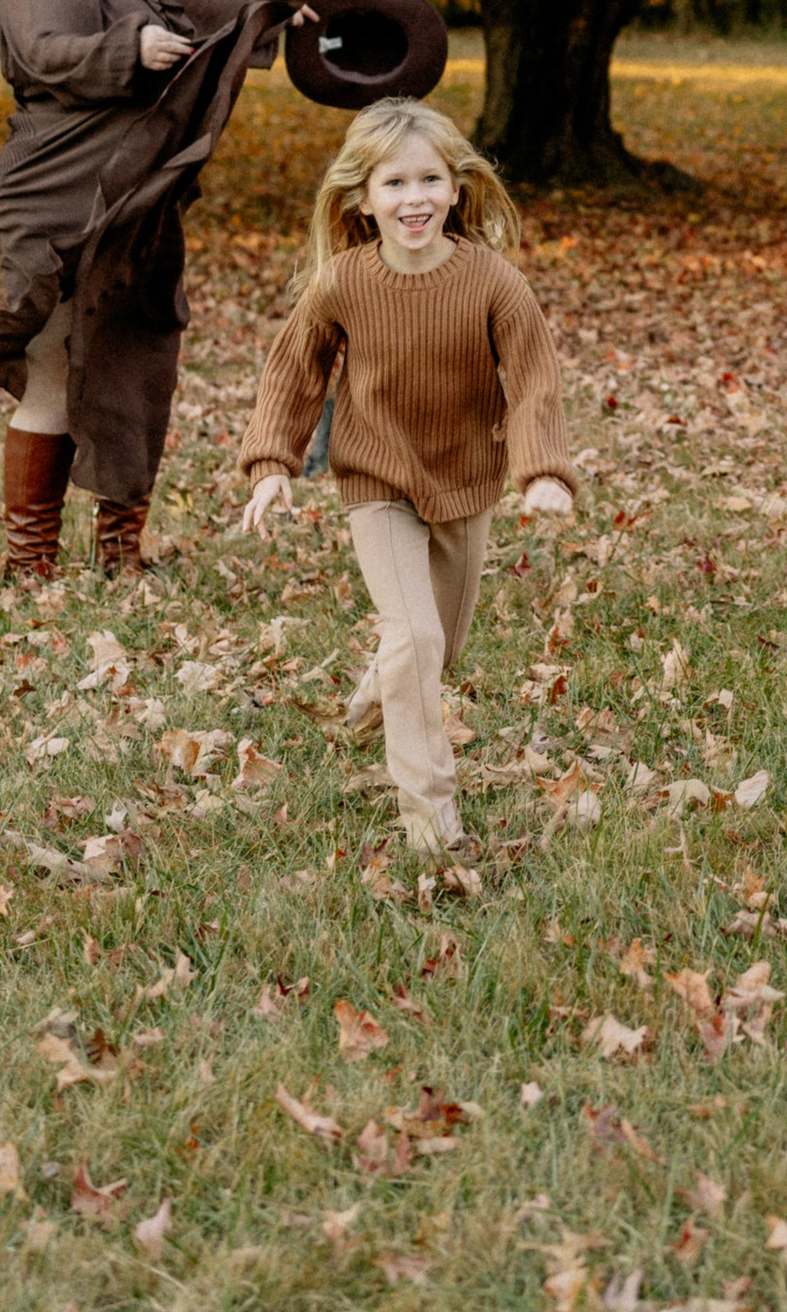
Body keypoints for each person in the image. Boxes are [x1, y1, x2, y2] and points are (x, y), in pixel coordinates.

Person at [0, 0, 306, 579]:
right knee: (53, 365)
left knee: (137, 360)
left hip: (133, 201)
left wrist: (287, 14)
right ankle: (30, 564)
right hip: (56, 198)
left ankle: (120, 554)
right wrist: (129, 49)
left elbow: (229, 9)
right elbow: (45, 50)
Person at [239, 97, 575, 853]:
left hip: (465, 480)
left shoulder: (494, 283)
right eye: (393, 184)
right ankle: (430, 821)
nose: (413, 199)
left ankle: (377, 700)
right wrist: (271, 464)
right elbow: (294, 374)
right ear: (362, 198)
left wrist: (542, 472)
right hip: (377, 479)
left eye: (428, 180)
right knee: (415, 636)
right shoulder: (342, 283)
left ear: (456, 188)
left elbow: (533, 382)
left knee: (436, 649)